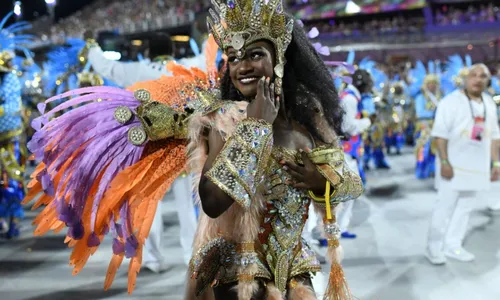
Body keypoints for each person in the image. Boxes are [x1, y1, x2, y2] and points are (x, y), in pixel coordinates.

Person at [24, 0, 363, 299]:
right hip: (237, 275)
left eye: (255, 54)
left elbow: (350, 182)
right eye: (233, 57)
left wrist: (321, 183)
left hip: (295, 271)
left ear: (280, 59)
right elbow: (213, 201)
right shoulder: (219, 120)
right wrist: (256, 129)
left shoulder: (308, 117)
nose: (243, 66)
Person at [81, 31, 204, 270]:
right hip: (182, 151)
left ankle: (153, 259)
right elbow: (210, 61)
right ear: (174, 50)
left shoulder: (137, 70)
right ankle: (192, 257)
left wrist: (92, 45)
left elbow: (107, 67)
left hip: (149, 151)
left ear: (148, 51)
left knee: (150, 208)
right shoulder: (186, 68)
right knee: (186, 208)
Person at [427, 63, 500, 264]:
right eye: (473, 75)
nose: (478, 79)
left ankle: (453, 245)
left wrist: (495, 164)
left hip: (477, 165)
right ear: (466, 78)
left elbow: (494, 136)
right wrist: (444, 161)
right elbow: (440, 135)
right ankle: (434, 247)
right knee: (445, 207)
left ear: (488, 80)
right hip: (452, 164)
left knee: (466, 207)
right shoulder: (450, 102)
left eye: (483, 76)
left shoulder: (489, 103)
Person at [0, 12, 33, 239]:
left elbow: (12, 107)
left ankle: (11, 221)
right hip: (8, 135)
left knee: (11, 179)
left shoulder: (10, 79)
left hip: (9, 137)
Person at [336, 69, 372, 239]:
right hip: (345, 152)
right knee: (348, 191)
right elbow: (348, 127)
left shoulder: (351, 97)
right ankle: (332, 229)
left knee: (349, 192)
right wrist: (367, 122)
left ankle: (339, 228)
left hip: (349, 152)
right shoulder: (350, 99)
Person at [414, 74, 441, 179]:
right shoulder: (420, 97)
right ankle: (420, 170)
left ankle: (433, 169)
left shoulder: (440, 97)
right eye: (430, 84)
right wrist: (433, 113)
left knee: (435, 149)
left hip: (437, 126)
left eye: (434, 84)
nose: (432, 86)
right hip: (424, 126)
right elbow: (420, 112)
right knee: (423, 149)